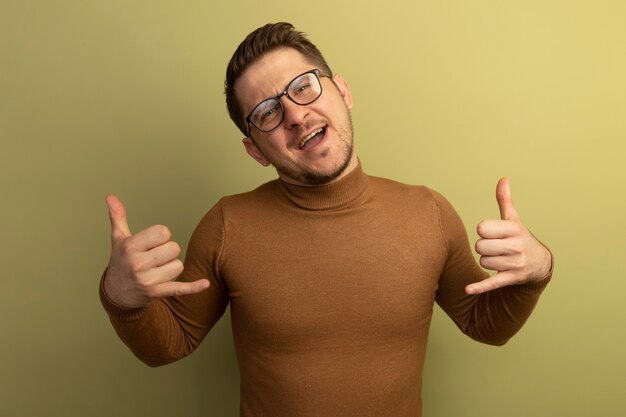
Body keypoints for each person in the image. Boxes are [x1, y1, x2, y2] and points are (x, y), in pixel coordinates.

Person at [100, 22, 553, 417]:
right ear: (255, 149)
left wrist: (536, 270)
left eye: (303, 87)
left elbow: (486, 326)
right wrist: (121, 297)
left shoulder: (428, 212)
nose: (296, 115)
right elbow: (170, 345)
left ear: (343, 91)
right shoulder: (227, 225)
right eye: (267, 113)